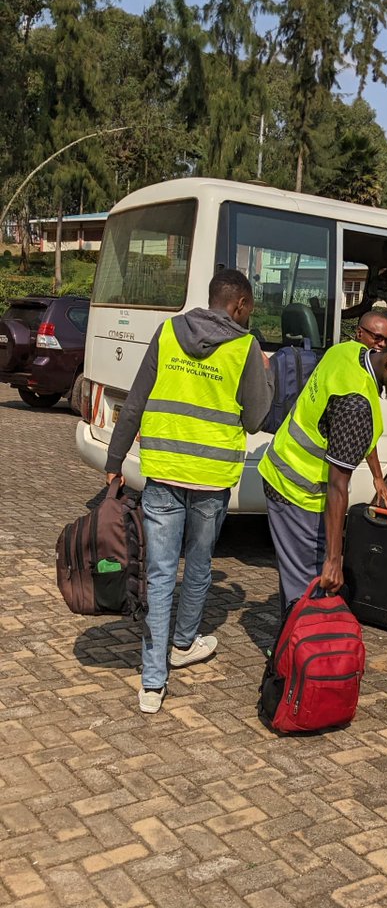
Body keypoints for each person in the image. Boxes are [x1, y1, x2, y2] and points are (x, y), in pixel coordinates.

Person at [105, 269, 273, 713]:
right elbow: (255, 418)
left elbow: (136, 402)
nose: (248, 317)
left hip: (164, 472)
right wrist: (267, 376)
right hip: (212, 478)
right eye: (249, 310)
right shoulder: (245, 347)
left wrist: (114, 462)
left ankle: (152, 683)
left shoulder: (168, 332)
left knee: (160, 575)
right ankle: (182, 643)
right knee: (198, 564)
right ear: (239, 305)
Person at [259, 323, 387, 609]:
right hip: (296, 490)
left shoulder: (347, 351)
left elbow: (350, 435)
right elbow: (338, 484)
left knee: (304, 582)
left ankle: (295, 633)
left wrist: (378, 477)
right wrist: (334, 560)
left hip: (284, 470)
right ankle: (296, 636)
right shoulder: (356, 405)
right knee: (308, 589)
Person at [355, 311, 387, 510]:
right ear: (359, 333)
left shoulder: (357, 362)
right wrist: (378, 477)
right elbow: (365, 433)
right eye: (377, 337)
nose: (382, 345)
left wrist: (378, 477)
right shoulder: (358, 375)